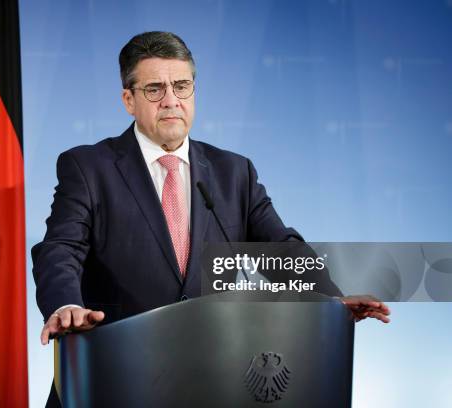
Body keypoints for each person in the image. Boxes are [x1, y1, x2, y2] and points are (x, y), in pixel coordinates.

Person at [31, 31, 390, 407]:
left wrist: (332, 300)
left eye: (181, 86)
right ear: (129, 100)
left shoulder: (233, 172)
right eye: (154, 89)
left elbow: (280, 249)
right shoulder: (89, 167)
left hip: (210, 382)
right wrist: (64, 305)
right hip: (115, 380)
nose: (171, 101)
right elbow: (60, 247)